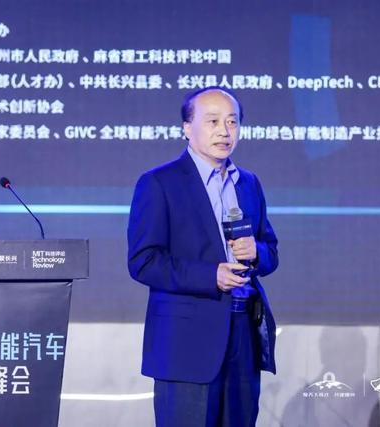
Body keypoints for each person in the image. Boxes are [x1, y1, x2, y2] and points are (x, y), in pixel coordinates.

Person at [127, 86, 278, 426]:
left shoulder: (248, 183)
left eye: (232, 122)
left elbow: (271, 250)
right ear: (186, 127)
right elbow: (143, 261)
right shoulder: (159, 183)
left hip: (243, 335)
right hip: (186, 344)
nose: (224, 131)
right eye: (212, 121)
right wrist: (211, 276)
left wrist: (256, 252)